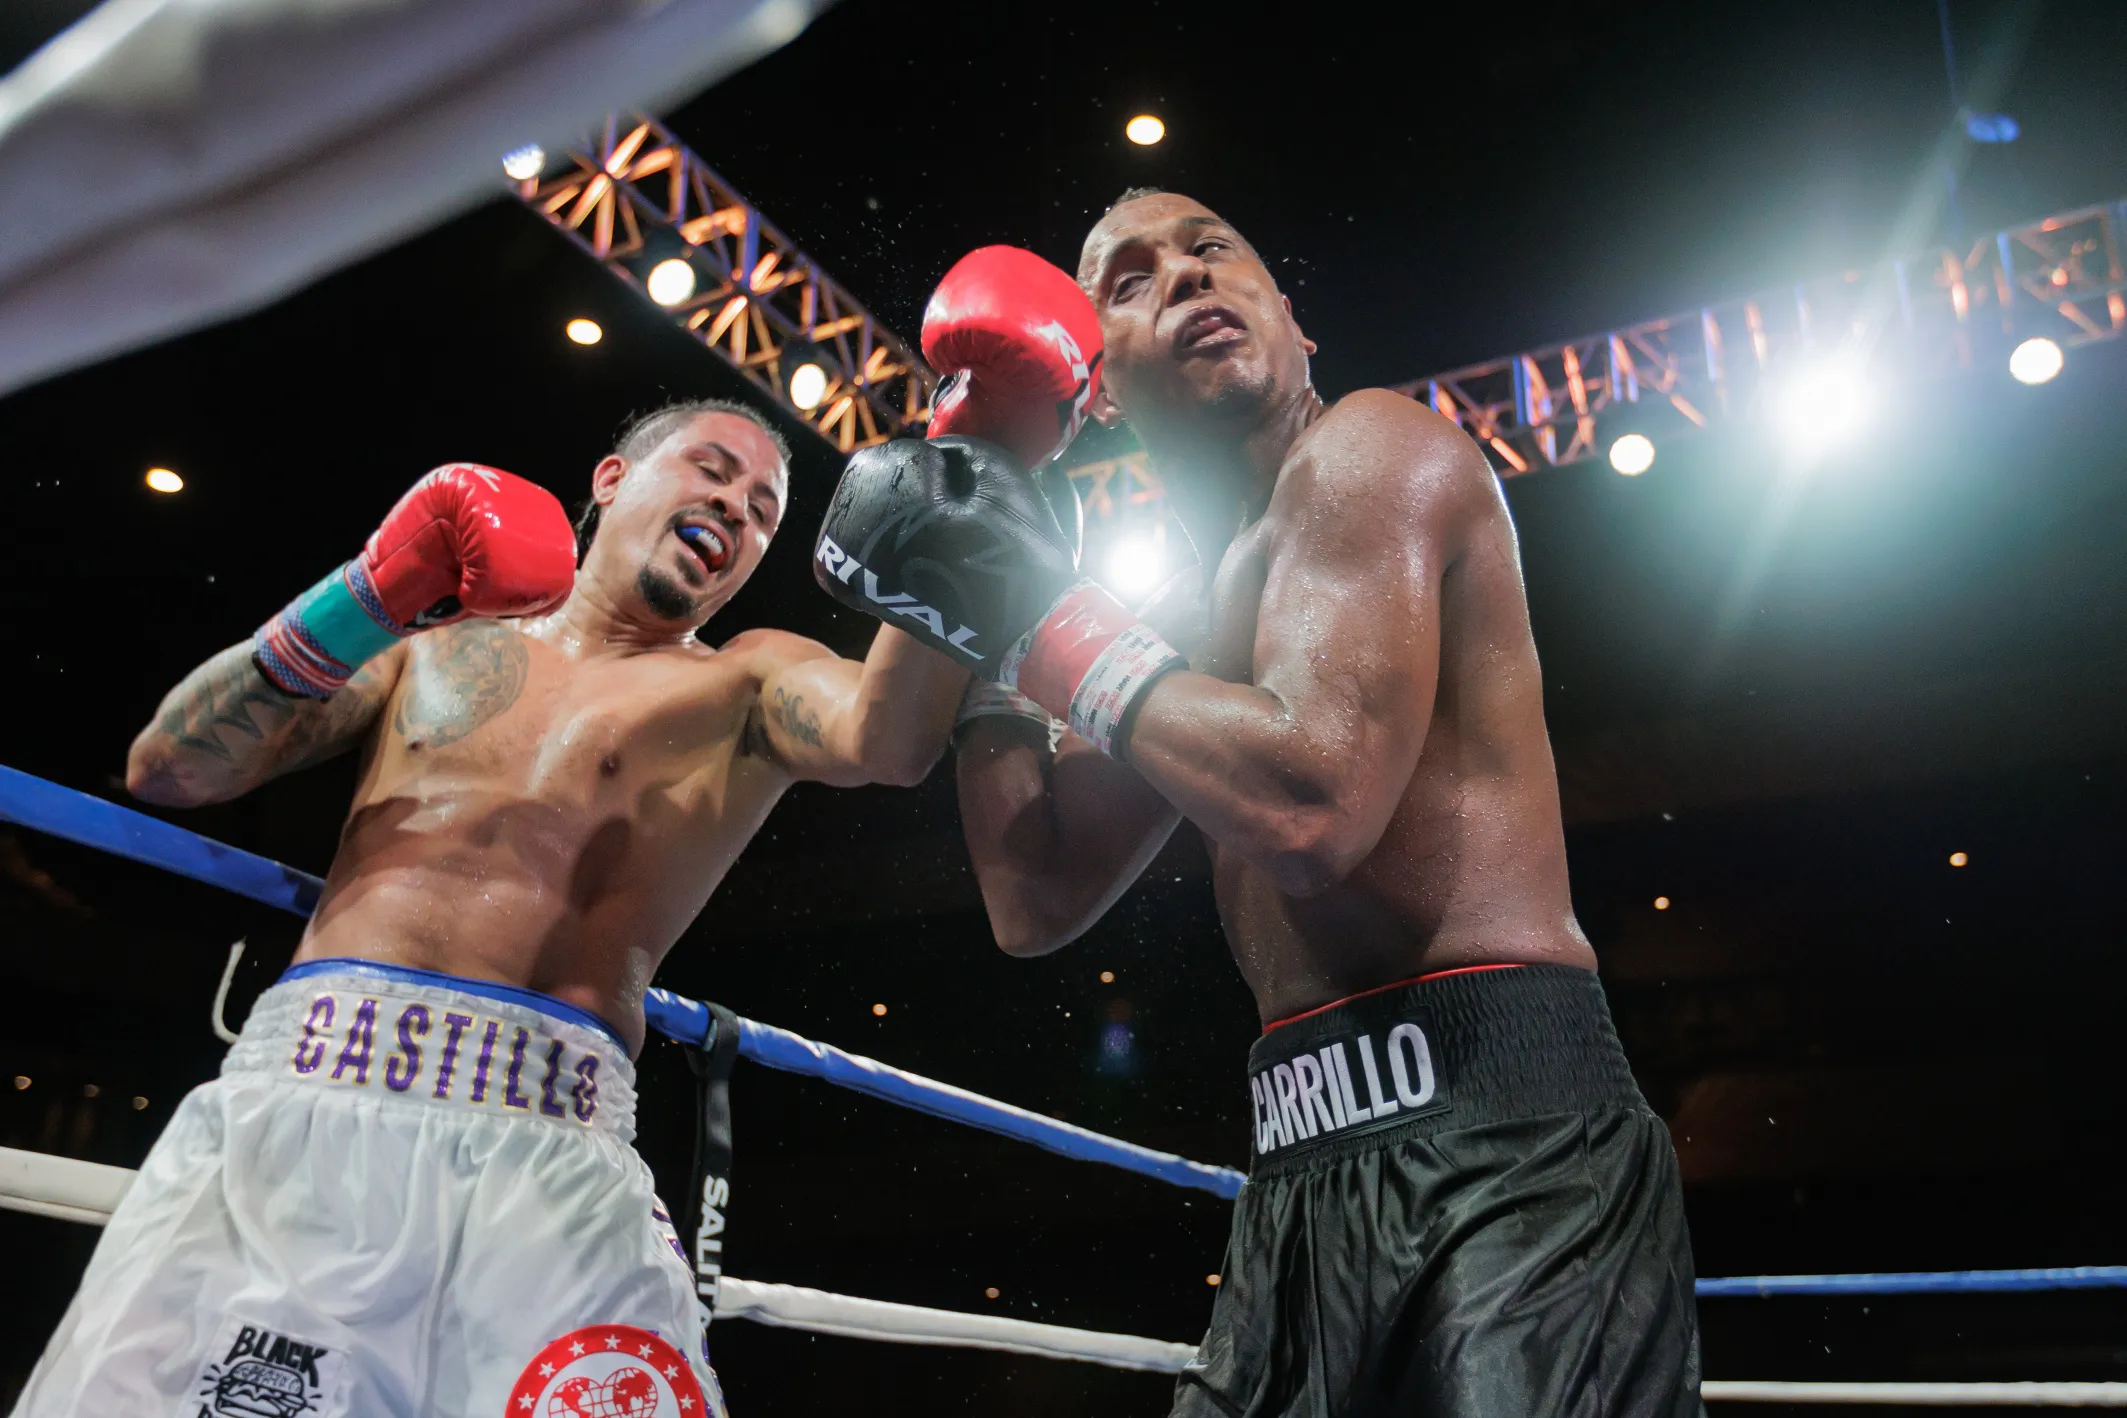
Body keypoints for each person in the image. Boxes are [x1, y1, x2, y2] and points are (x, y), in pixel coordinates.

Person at [816, 207, 1705, 1415]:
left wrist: (1033, 611)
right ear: (1101, 390)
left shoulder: (1371, 449)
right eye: (1130, 283)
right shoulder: (1178, 613)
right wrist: (985, 609)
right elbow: (1039, 891)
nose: (1184, 274)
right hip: (1299, 1171)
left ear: (1297, 325)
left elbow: (1310, 807)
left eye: (1212, 250)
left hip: (1508, 1149)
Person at [14, 398, 969, 1418]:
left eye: (764, 509)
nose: (735, 506)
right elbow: (170, 767)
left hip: (551, 1148)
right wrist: (373, 591)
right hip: (306, 1103)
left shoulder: (747, 679)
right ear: (611, 481)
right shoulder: (427, 648)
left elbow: (889, 740)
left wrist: (964, 517)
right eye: (712, 469)